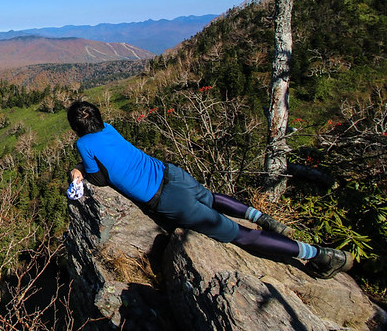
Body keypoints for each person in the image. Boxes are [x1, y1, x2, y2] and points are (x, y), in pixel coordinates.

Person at [66, 100, 353, 280]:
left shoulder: (84, 144)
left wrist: (78, 168)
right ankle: (262, 217)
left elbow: (100, 179)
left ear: (76, 128)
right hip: (174, 174)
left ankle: (319, 255)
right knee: (214, 199)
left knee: (241, 236)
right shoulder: (111, 128)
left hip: (167, 199)